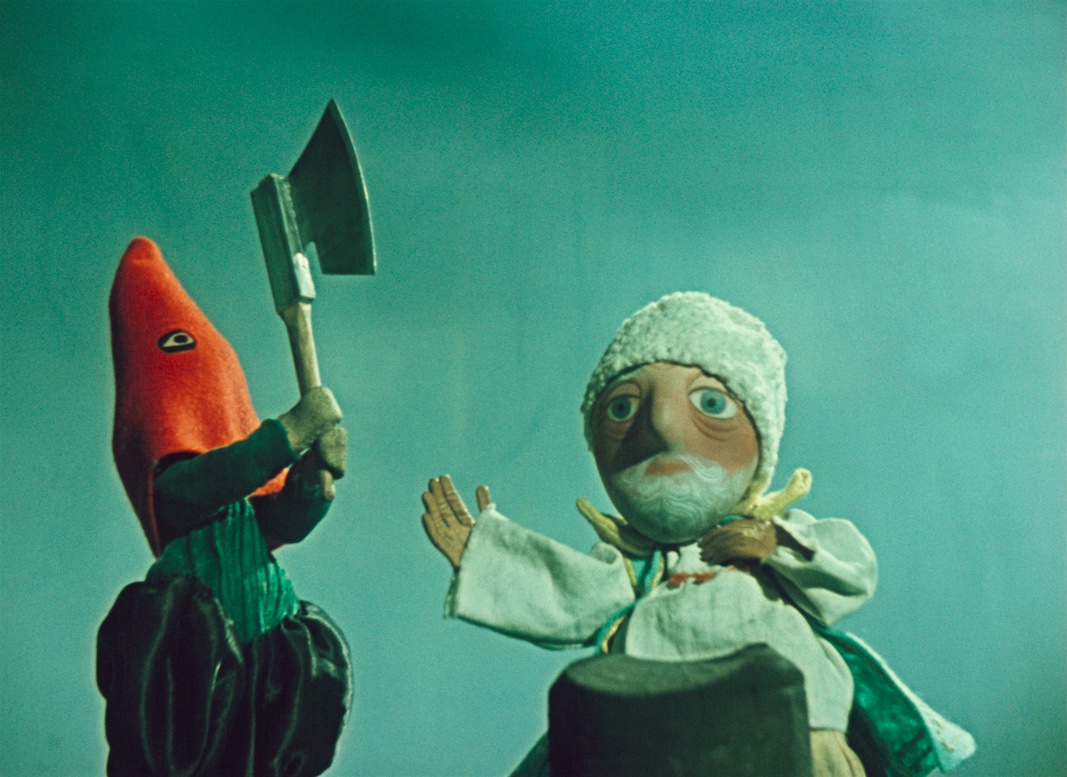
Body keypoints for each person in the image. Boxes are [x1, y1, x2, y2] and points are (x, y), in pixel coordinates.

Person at [421, 291, 974, 777]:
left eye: (711, 403)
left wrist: (775, 544)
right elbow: (569, 592)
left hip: (794, 729)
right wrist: (490, 557)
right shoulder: (636, 573)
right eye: (623, 407)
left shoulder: (774, 544)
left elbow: (850, 572)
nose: (662, 426)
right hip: (652, 739)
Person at [97, 238, 352, 777]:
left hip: (272, 660)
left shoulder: (240, 504)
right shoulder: (176, 487)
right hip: (198, 655)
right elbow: (200, 486)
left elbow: (280, 522)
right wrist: (286, 437)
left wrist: (310, 487)